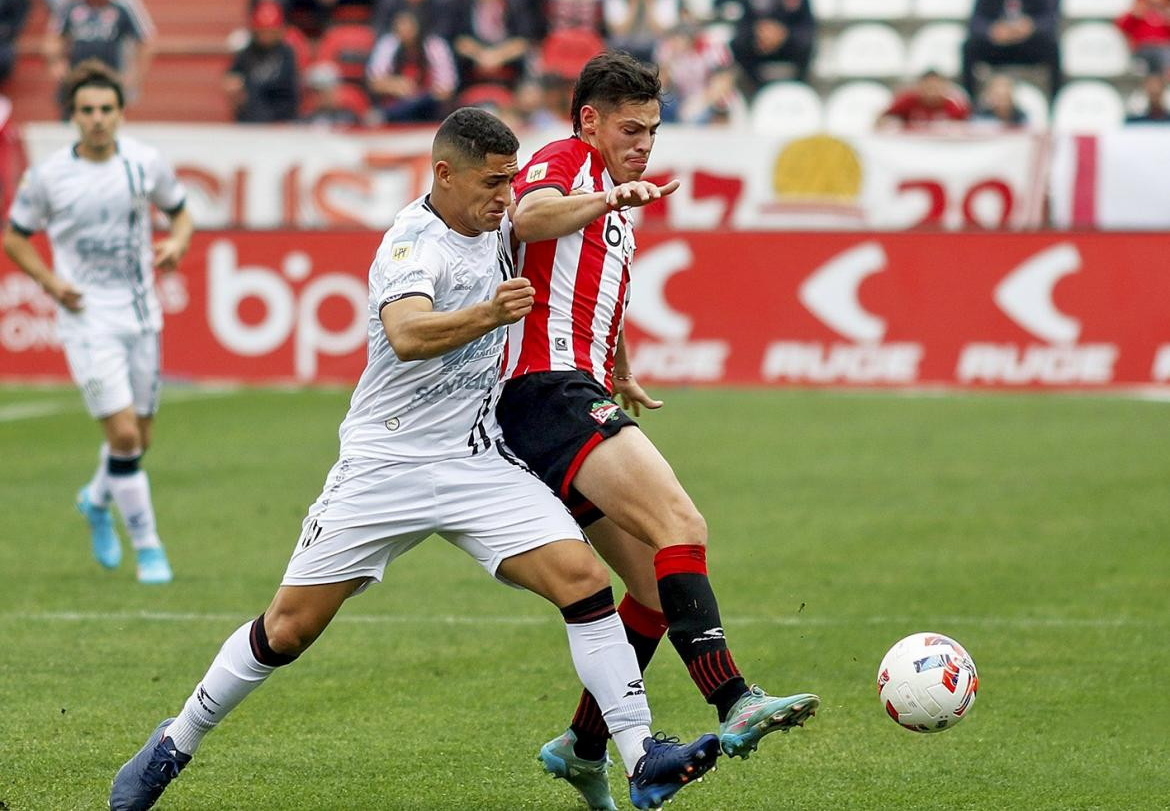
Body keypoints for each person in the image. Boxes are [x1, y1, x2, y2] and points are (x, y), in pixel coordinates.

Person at [106, 107, 721, 811]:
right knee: (288, 629)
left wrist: (614, 338)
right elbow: (405, 333)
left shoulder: (501, 228)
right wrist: (488, 314)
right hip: (386, 463)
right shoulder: (412, 243)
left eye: (511, 182)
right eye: (492, 184)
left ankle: (641, 754)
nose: (505, 198)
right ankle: (175, 741)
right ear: (443, 175)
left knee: (583, 580)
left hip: (473, 458)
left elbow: (566, 262)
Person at [498, 51, 819, 811]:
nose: (644, 144)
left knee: (645, 586)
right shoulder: (565, 159)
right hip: (543, 393)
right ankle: (734, 699)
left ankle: (580, 748)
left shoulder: (610, 189)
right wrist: (610, 197)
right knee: (682, 522)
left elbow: (592, 291)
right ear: (590, 119)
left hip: (572, 387)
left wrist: (622, 366)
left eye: (653, 131)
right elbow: (528, 215)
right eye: (631, 129)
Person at [2, 59, 193, 584]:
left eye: (106, 109)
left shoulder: (144, 163)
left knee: (141, 437)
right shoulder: (47, 178)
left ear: (121, 113)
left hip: (140, 315)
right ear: (73, 116)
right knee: (125, 436)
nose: (98, 119)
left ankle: (94, 498)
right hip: (85, 320)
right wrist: (50, 282)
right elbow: (15, 237)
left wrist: (176, 242)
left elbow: (180, 212)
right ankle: (149, 548)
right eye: (87, 110)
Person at [44, 0, 155, 108]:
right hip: (76, 80)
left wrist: (135, 76)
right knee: (72, 118)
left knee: (106, 119)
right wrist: (56, 62)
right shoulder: (71, 3)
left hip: (110, 80)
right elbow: (54, 37)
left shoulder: (124, 2)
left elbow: (145, 40)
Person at [961, 0, 1061, 97]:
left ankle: (1055, 98)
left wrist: (1031, 25)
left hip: (1026, 47)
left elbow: (1049, 20)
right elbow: (975, 22)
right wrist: (992, 30)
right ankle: (970, 98)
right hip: (997, 48)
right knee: (970, 47)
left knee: (1051, 46)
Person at [224, 0, 301, 123]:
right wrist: (232, 83)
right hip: (251, 118)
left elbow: (285, 88)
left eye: (270, 31)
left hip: (280, 118)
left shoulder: (287, 53)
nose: (266, 36)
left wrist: (249, 85)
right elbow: (232, 74)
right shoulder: (247, 52)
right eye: (262, 32)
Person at [729, 0, 815, 92]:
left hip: (793, 69)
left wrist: (783, 35)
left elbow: (808, 34)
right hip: (756, 74)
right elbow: (740, 36)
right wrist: (758, 35)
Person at [878, 70, 971, 128]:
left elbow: (965, 128)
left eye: (936, 88)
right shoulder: (907, 102)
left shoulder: (953, 106)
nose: (932, 92)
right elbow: (882, 119)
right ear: (920, 87)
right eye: (928, 88)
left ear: (945, 88)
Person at [1116, 0, 1170, 75]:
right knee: (1141, 64)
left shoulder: (1166, 12)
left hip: (1163, 48)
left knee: (1165, 56)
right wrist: (1133, 16)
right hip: (1143, 48)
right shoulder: (1140, 11)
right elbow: (1122, 26)